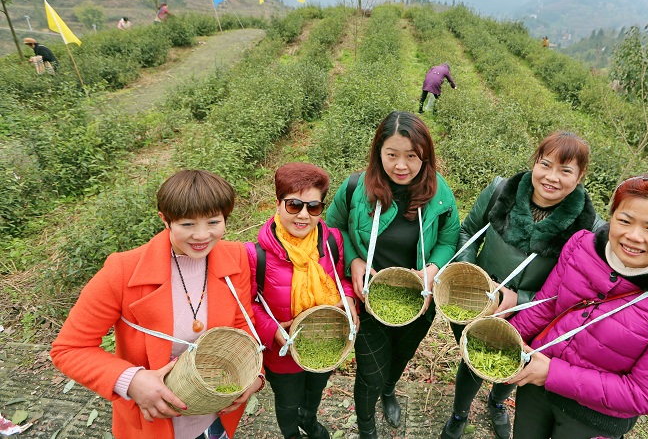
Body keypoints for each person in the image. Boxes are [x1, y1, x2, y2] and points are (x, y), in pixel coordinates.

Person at [51, 170, 264, 439]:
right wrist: (132, 380)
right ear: (165, 220)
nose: (202, 236)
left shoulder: (235, 257)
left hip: (216, 418)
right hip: (153, 425)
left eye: (213, 222)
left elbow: (241, 322)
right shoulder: (123, 270)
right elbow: (69, 348)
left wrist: (256, 375)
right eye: (187, 224)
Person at [508, 175, 648, 439]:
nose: (634, 236)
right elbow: (546, 306)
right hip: (535, 389)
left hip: (592, 419)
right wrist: (506, 339)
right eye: (624, 221)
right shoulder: (581, 247)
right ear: (612, 216)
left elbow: (646, 393)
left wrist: (553, 374)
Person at [439, 131, 603, 439]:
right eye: (546, 164)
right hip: (478, 300)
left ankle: (498, 402)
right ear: (535, 162)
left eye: (566, 170)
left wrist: (521, 298)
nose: (552, 177)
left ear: (580, 176)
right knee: (472, 358)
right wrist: (471, 275)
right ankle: (459, 414)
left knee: (517, 361)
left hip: (536, 313)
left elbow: (576, 289)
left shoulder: (588, 227)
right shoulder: (502, 190)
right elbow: (468, 231)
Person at [325, 110, 460, 439]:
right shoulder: (357, 188)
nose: (401, 166)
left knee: (399, 358)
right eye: (392, 155)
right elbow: (332, 228)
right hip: (370, 299)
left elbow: (448, 237)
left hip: (418, 301)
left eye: (412, 156)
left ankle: (390, 391)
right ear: (378, 153)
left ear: (424, 156)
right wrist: (354, 260)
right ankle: (367, 428)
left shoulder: (438, 192)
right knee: (369, 373)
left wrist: (433, 268)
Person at [247, 162, 357, 439]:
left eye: (314, 207)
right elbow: (248, 305)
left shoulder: (331, 241)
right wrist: (274, 331)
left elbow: (341, 280)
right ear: (278, 203)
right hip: (282, 352)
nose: (304, 216)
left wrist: (350, 300)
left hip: (326, 339)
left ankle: (309, 420)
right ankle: (291, 433)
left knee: (315, 390)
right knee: (286, 401)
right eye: (294, 205)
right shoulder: (256, 254)